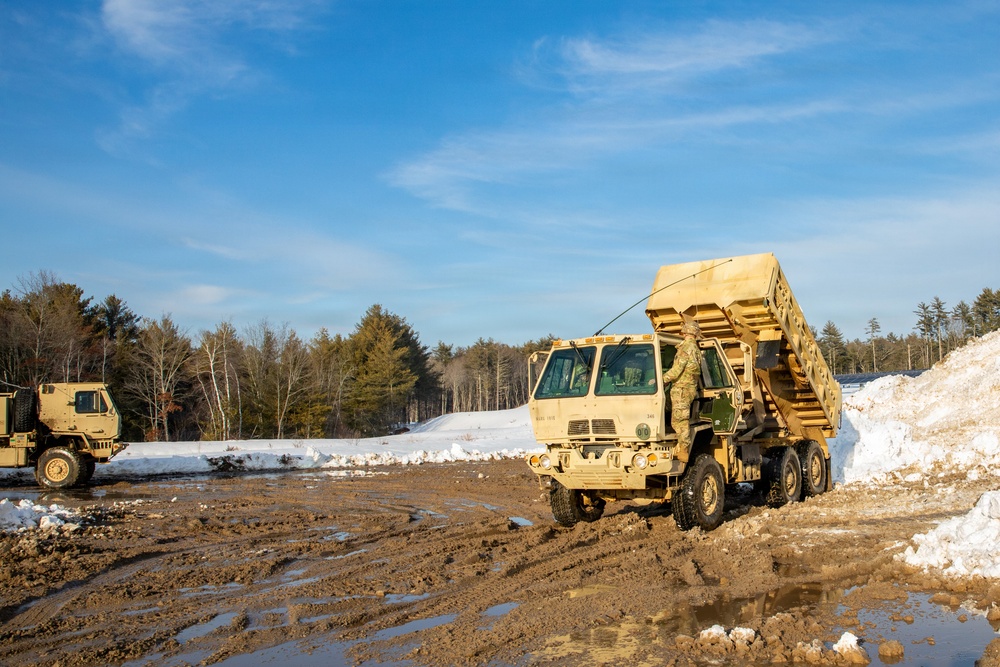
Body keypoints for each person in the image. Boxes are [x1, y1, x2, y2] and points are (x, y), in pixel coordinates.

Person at [662, 322, 703, 455]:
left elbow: (677, 370)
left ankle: (684, 448)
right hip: (689, 387)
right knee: (677, 416)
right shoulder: (696, 349)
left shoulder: (686, 348)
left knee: (679, 419)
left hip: (682, 388)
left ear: (684, 333)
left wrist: (662, 380)